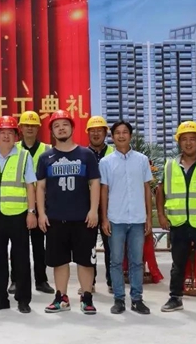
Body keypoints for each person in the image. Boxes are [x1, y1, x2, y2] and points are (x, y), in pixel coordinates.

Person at [36, 110, 100, 315]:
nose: (61, 128)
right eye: (56, 126)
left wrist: (94, 210)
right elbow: (40, 187)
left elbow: (95, 183)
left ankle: (87, 298)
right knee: (59, 261)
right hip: (55, 219)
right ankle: (61, 298)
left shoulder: (86, 155)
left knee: (85, 261)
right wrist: (41, 213)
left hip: (83, 219)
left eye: (65, 124)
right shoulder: (46, 157)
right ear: (52, 131)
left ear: (72, 128)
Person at [156, 121, 196, 312]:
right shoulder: (170, 165)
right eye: (184, 139)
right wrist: (161, 215)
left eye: (192, 139)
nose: (188, 143)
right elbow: (160, 191)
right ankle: (175, 298)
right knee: (178, 265)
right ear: (179, 142)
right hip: (178, 223)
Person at [0, 116, 36, 314]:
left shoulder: (24, 156)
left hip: (18, 215)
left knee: (21, 259)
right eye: (2, 132)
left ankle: (23, 299)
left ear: (16, 136)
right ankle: (0, 298)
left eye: (10, 133)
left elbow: (30, 185)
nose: (6, 136)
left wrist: (31, 212)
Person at [99, 120, 152, 315]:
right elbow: (104, 191)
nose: (121, 136)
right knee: (115, 261)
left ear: (130, 135)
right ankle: (119, 299)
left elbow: (147, 189)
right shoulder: (106, 162)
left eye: (125, 132)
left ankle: (137, 299)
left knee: (137, 262)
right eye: (117, 133)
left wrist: (148, 217)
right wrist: (104, 218)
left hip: (137, 219)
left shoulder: (142, 160)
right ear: (112, 137)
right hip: (116, 219)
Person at [11, 110, 55, 295]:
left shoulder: (47, 150)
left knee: (39, 245)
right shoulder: (13, 149)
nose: (29, 128)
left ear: (38, 128)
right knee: (17, 246)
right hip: (20, 205)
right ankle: (16, 280)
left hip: (41, 205)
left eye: (33, 125)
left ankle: (41, 280)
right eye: (26, 125)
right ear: (20, 128)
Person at [85, 115, 115, 294]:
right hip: (88, 207)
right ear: (88, 133)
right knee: (88, 247)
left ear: (105, 133)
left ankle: (112, 281)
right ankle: (90, 282)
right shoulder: (82, 154)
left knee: (111, 246)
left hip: (110, 206)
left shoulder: (113, 154)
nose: (96, 134)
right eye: (93, 131)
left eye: (99, 130)